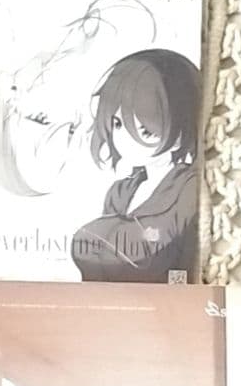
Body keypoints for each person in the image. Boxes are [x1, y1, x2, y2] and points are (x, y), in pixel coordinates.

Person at [70, 49, 200, 282]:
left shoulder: (188, 189)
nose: (125, 140)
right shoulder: (120, 193)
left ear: (180, 133)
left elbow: (188, 266)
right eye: (118, 124)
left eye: (145, 131)